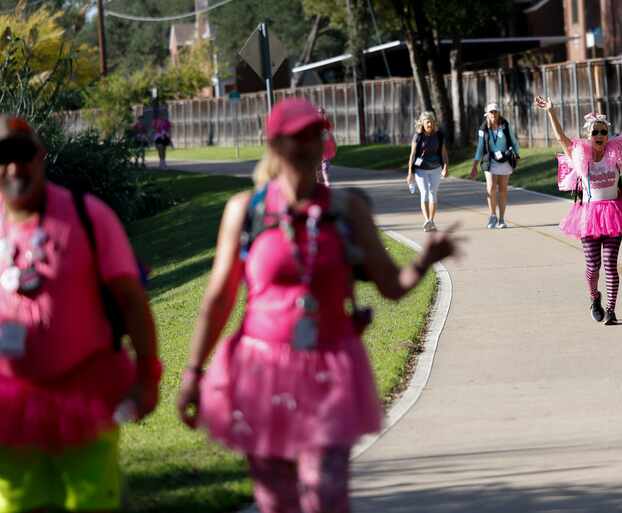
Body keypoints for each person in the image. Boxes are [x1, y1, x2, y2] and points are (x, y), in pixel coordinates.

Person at [176, 98, 461, 513]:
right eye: (299, 136)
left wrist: (424, 262)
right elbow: (218, 300)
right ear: (274, 144)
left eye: (316, 133)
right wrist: (193, 372)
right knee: (276, 500)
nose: (310, 143)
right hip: (261, 371)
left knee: (327, 496)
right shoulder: (246, 211)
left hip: (330, 369)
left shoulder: (348, 210)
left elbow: (391, 286)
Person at [0, 115, 161, 513]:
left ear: (41, 156)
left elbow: (131, 299)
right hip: (9, 409)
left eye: (24, 155)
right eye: (4, 157)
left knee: (93, 504)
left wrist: (146, 377)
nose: (16, 168)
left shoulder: (88, 216)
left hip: (85, 395)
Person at [535, 89, 622, 325]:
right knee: (593, 267)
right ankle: (594, 297)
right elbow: (562, 139)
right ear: (588, 135)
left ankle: (611, 309)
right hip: (588, 215)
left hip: (614, 213)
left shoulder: (616, 151)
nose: (600, 135)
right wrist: (551, 112)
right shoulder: (580, 153)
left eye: (603, 131)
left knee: (610, 264)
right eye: (595, 132)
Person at [470, 103, 520, 229]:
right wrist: (474, 165)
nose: (494, 114)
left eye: (495, 112)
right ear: (487, 114)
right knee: (491, 187)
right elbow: (480, 148)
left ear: (499, 113)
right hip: (490, 160)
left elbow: (514, 141)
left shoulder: (505, 125)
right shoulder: (483, 129)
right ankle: (492, 215)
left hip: (505, 160)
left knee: (503, 190)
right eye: (491, 112)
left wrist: (517, 155)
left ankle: (502, 219)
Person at [407, 111, 449, 232]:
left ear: (434, 122)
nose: (429, 124)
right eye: (427, 122)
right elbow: (413, 154)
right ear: (422, 123)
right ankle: (426, 220)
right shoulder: (418, 136)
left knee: (433, 193)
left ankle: (431, 220)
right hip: (421, 170)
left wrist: (446, 166)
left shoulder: (439, 135)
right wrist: (410, 172)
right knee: (424, 192)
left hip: (436, 168)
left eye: (431, 121)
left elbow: (443, 152)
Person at [316, 107, 337, 187]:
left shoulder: (326, 122)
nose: (320, 114)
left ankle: (326, 181)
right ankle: (318, 182)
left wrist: (334, 145)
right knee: (317, 168)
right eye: (319, 112)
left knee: (325, 167)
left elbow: (331, 132)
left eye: (322, 112)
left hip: (326, 148)